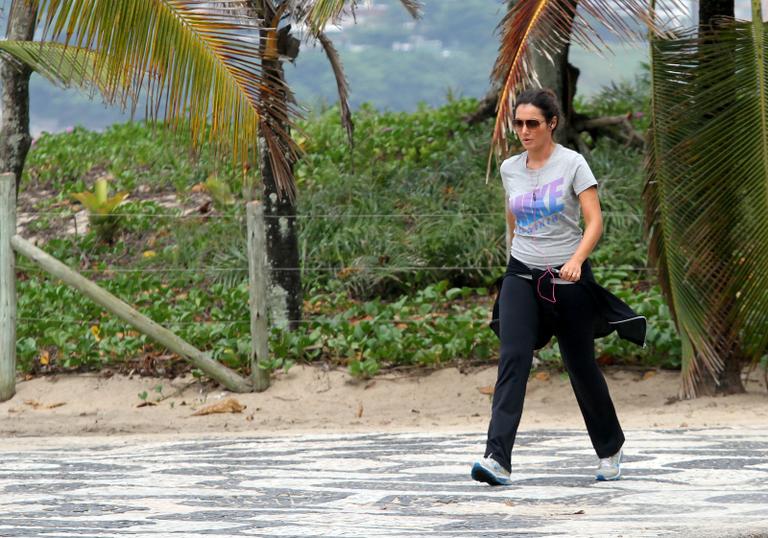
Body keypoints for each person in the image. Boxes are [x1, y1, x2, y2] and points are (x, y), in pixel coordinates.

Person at [471, 88, 647, 486]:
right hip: (520, 274)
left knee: (580, 367)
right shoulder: (510, 169)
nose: (524, 130)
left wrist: (576, 260)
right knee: (513, 358)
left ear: (552, 123)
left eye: (533, 123)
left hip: (567, 278)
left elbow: (595, 220)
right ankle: (497, 459)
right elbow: (513, 219)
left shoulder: (573, 164)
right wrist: (513, 259)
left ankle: (610, 448)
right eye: (518, 123)